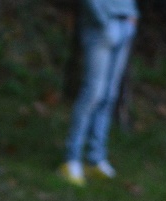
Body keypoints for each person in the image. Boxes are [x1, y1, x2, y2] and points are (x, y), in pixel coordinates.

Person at [59, 0, 138, 186]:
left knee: (109, 95)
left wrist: (132, 16)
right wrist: (103, 20)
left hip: (124, 23)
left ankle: (96, 158)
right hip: (101, 26)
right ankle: (72, 159)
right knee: (93, 94)